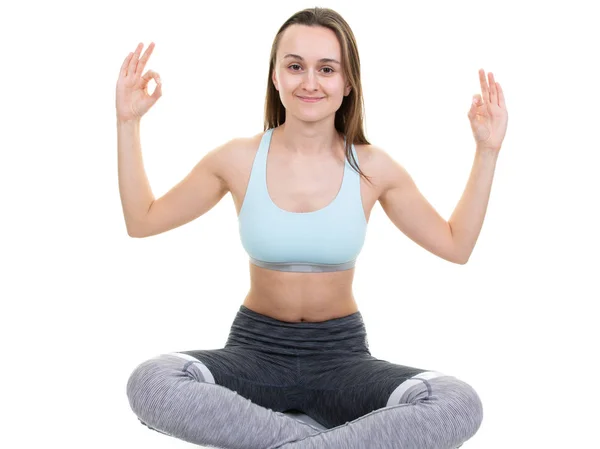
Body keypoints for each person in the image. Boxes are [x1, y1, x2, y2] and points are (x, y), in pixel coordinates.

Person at [118, 7, 507, 449]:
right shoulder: (237, 159)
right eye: (295, 66)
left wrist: (487, 151)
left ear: (348, 83)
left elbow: (455, 245)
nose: (310, 82)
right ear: (275, 76)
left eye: (326, 69)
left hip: (341, 360)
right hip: (254, 352)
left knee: (457, 403)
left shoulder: (373, 167)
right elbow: (142, 220)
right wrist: (128, 122)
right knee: (152, 381)